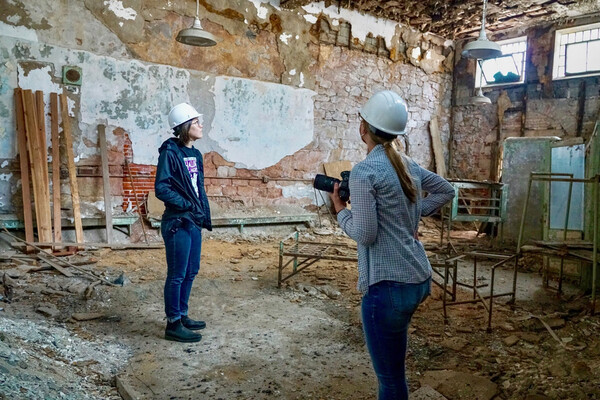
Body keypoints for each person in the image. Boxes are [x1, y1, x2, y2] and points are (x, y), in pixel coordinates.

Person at [328, 90, 455, 399]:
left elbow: (366, 234)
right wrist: (408, 216)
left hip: (388, 288)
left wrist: (340, 211)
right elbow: (446, 190)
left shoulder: (365, 171)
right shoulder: (408, 164)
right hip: (418, 279)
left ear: (363, 128)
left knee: (391, 381)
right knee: (395, 368)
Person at [155, 102, 212, 343]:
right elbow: (162, 188)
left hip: (193, 221)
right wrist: (186, 205)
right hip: (177, 221)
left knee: (191, 271)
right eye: (197, 122)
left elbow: (198, 188)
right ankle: (173, 324)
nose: (201, 125)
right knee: (177, 274)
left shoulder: (195, 154)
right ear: (185, 126)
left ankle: (183, 314)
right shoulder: (170, 153)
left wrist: (200, 212)